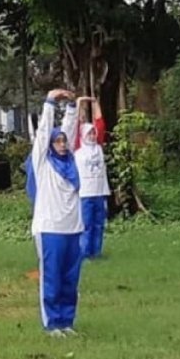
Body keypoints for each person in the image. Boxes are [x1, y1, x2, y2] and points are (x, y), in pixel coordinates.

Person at [30, 89, 82, 337]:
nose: (62, 144)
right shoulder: (43, 163)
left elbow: (70, 130)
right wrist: (50, 102)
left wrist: (72, 106)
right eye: (57, 141)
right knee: (52, 277)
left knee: (70, 279)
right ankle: (52, 322)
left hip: (73, 228)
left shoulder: (71, 163)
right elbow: (42, 134)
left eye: (63, 141)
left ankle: (66, 321)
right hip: (49, 228)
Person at [75, 97, 110, 259]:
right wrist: (79, 104)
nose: (92, 135)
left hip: (99, 192)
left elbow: (100, 123)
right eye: (89, 133)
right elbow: (76, 124)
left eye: (93, 133)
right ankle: (84, 252)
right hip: (85, 194)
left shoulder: (98, 148)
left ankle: (96, 252)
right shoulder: (78, 148)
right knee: (86, 224)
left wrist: (95, 103)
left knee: (99, 224)